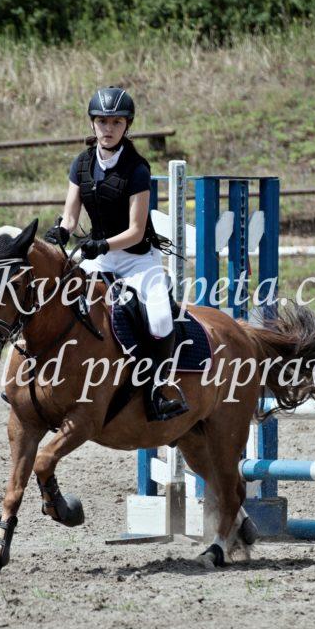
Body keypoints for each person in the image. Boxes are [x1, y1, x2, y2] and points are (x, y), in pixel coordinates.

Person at [44, 86, 188, 421]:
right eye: (102, 121)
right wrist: (61, 231)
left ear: (127, 126)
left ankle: (158, 389)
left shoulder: (137, 169)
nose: (108, 129)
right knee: (54, 298)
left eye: (116, 122)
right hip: (98, 257)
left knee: (161, 318)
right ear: (92, 123)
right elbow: (70, 217)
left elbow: (136, 230)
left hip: (137, 259)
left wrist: (103, 244)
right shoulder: (81, 164)